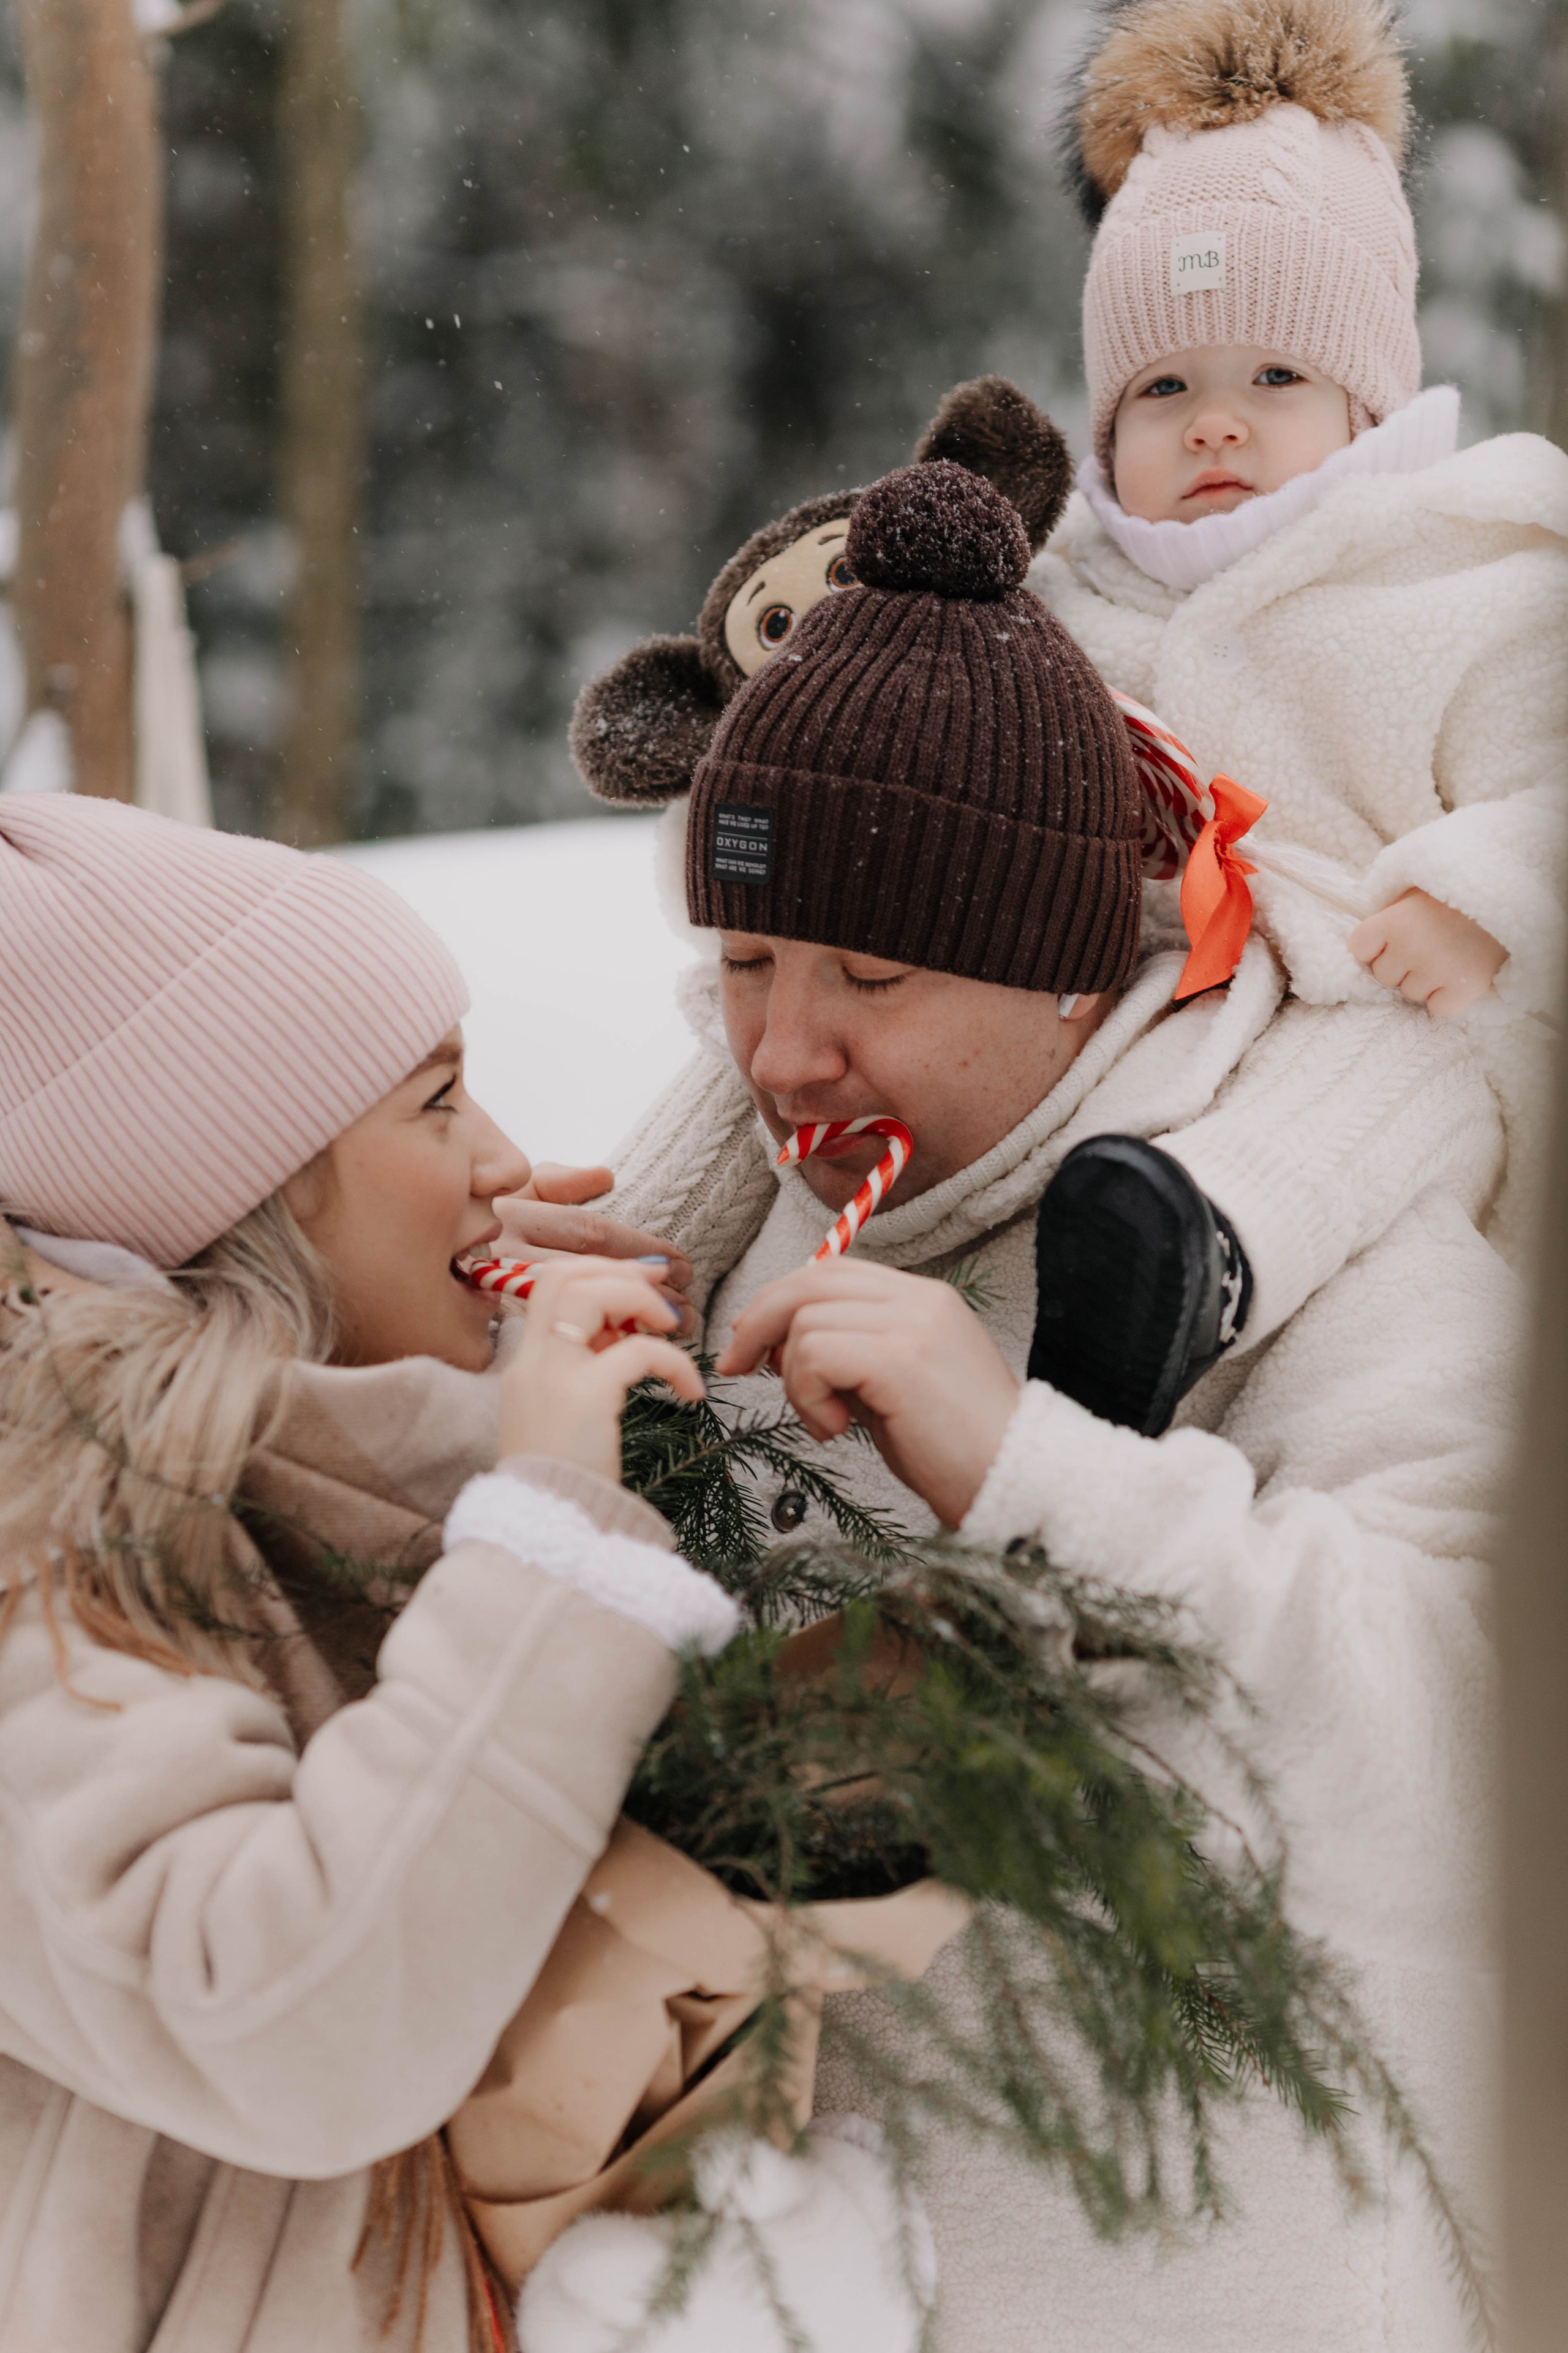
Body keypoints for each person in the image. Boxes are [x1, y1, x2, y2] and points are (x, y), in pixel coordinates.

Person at [592, 453, 1510, 2351]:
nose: (781, 1046)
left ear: (1073, 976)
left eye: (873, 969)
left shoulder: (1316, 1220)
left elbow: (1483, 1754)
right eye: (747, 960)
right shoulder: (736, 1209)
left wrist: (1040, 1473)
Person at [0, 791, 741, 2353]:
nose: (508, 1157)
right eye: (433, 1103)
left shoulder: (197, 1473)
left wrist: (414, 1363)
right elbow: (294, 2031)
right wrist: (539, 1531)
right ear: (238, 1190)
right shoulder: (36, 1551)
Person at [1033, 0, 1567, 1293]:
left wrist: (1480, 896)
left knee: (1385, 1092)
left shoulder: (1468, 574)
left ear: (1361, 399)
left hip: (1407, 1081)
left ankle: (1189, 1278)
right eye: (1163, 389)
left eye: (1273, 378)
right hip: (1129, 1081)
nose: (1214, 425)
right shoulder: (1061, 609)